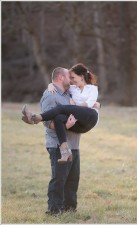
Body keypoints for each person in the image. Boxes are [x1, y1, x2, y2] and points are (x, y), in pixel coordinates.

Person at [21, 63, 100, 163]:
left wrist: (72, 108)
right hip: (80, 124)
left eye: (73, 77)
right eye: (70, 77)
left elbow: (89, 104)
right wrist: (50, 85)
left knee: (62, 108)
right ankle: (65, 151)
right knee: (58, 118)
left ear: (81, 77)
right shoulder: (73, 88)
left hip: (91, 117)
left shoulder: (92, 89)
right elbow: (58, 83)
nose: (71, 80)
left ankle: (36, 118)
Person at [29, 67, 81, 215]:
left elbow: (85, 86)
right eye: (68, 76)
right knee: (59, 179)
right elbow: (47, 122)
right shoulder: (50, 96)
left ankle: (70, 209)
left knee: (72, 179)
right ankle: (54, 211)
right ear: (60, 77)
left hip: (74, 144)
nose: (71, 79)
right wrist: (66, 126)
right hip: (58, 145)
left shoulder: (68, 93)